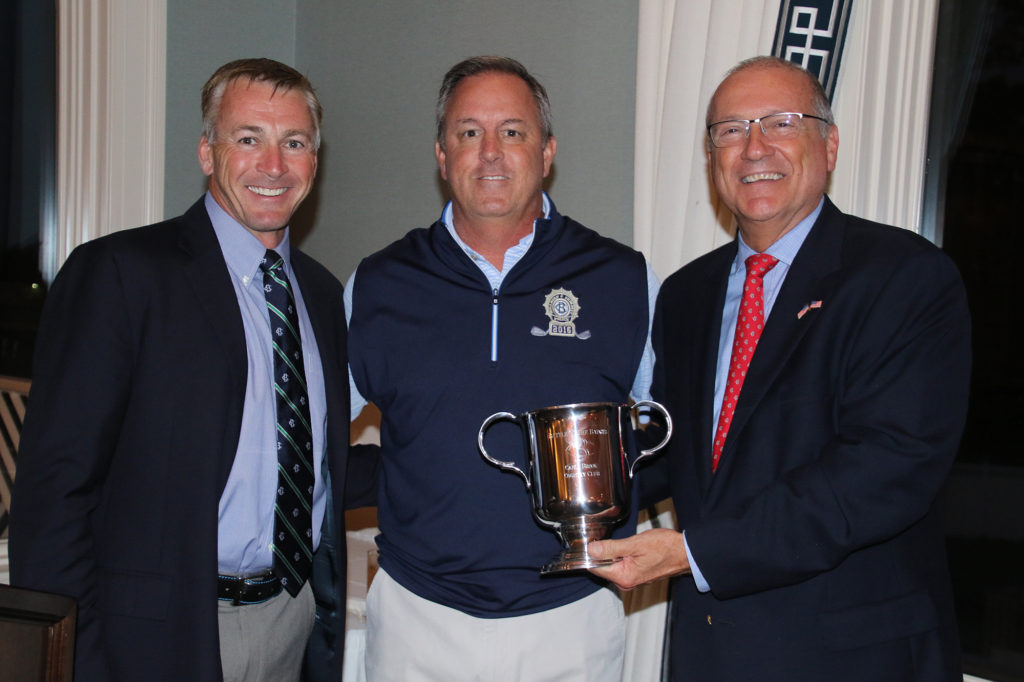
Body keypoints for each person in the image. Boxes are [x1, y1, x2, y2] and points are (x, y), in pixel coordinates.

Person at [587, 56, 971, 680]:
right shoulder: (686, 295)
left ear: (830, 144)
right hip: (709, 654)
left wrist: (692, 553)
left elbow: (883, 472)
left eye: (781, 122)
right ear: (712, 158)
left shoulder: (906, 277)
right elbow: (675, 450)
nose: (753, 147)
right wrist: (568, 472)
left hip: (852, 658)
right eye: (731, 130)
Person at [9, 58, 375, 682]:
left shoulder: (319, 294)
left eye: (294, 142)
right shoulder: (120, 275)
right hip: (158, 636)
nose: (273, 165)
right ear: (208, 152)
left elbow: (311, 467)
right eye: (248, 139)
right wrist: (75, 659)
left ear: (315, 160)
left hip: (295, 623)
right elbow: (54, 495)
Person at [345, 56, 658, 680]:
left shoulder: (624, 278)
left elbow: (660, 441)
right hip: (417, 619)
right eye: (469, 132)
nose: (490, 152)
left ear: (547, 153)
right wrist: (411, 481)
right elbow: (315, 442)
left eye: (512, 131)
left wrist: (606, 514)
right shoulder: (377, 284)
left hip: (571, 618)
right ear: (441, 154)